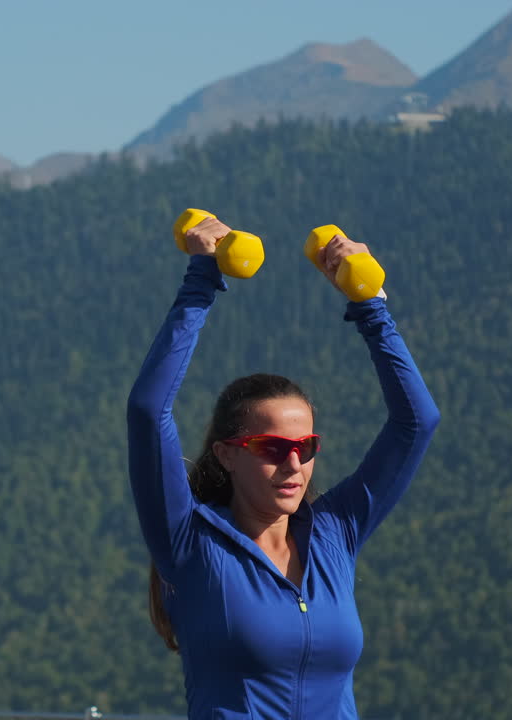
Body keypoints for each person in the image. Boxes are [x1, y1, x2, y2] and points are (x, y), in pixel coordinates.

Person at [126, 216, 439, 719]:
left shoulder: (335, 533)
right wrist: (201, 278)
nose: (294, 463)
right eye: (272, 447)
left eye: (307, 447)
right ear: (227, 453)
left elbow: (417, 422)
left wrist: (370, 304)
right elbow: (148, 410)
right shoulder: (188, 542)